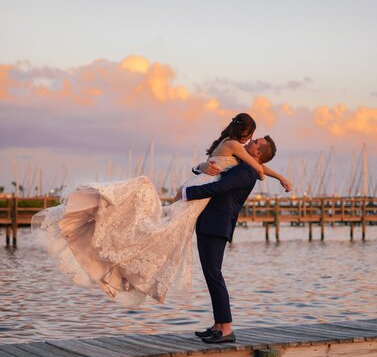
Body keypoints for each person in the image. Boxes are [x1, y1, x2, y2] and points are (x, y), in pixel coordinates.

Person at [32, 113, 290, 311]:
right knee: (158, 235)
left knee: (159, 235)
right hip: (193, 197)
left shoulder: (235, 148)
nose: (251, 140)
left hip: (195, 196)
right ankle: (122, 272)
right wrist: (278, 176)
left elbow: (246, 166)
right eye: (252, 135)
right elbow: (255, 167)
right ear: (244, 133)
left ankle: (123, 273)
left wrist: (275, 176)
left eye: (255, 140)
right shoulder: (236, 146)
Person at [174, 132, 283, 344]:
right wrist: (201, 167)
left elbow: (218, 187)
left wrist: (185, 192)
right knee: (210, 273)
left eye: (255, 142)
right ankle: (218, 325)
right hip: (210, 223)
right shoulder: (241, 165)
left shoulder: (246, 171)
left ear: (258, 152)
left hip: (217, 225)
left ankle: (226, 329)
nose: (251, 141)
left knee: (214, 274)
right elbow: (214, 172)